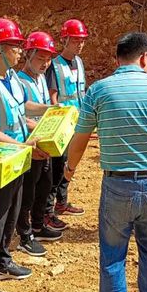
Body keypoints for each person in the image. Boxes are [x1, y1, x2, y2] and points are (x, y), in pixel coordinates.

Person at [64, 32, 147, 292]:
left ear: (118, 59)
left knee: (112, 258)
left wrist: (69, 171)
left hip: (117, 184)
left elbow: (80, 140)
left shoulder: (99, 90)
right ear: (144, 58)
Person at [0, 19, 51, 292]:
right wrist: (23, 145)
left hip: (17, 158)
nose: (19, 52)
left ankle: (2, 261)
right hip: (1, 161)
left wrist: (48, 110)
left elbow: (20, 108)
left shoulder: (11, 78)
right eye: (14, 46)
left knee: (11, 214)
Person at [16, 31, 63, 257]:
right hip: (29, 143)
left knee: (45, 184)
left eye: (48, 59)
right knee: (28, 190)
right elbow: (19, 114)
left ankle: (38, 224)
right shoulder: (19, 81)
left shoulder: (41, 78)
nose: (45, 63)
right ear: (28, 55)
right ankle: (24, 235)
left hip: (45, 140)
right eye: (40, 58)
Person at [44, 19, 88, 229]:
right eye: (75, 40)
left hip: (77, 121)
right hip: (63, 123)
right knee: (57, 166)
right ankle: (48, 210)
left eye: (81, 40)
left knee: (70, 163)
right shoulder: (54, 65)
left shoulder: (79, 62)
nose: (79, 44)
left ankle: (62, 203)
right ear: (65, 40)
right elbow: (53, 97)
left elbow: (81, 92)